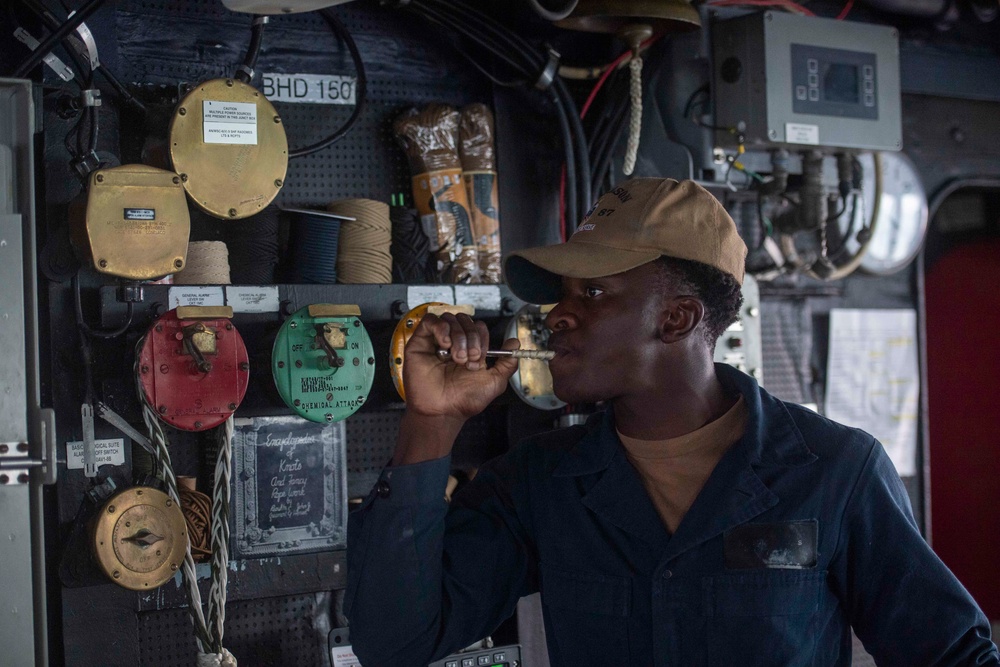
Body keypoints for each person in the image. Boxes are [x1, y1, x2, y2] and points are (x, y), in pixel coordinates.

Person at [345, 178, 999, 666]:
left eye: (592, 292)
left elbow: (955, 656)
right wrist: (431, 422)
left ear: (678, 318)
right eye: (560, 295)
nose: (557, 315)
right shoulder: (540, 482)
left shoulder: (834, 472)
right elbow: (393, 640)